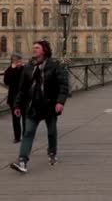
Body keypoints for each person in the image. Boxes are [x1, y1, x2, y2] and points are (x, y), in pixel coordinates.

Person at [10, 40, 69, 174]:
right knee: (28, 133)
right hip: (33, 105)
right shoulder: (29, 67)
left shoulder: (54, 66)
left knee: (51, 131)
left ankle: (52, 152)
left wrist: (60, 102)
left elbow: (63, 85)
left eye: (37, 47)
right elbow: (22, 89)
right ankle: (22, 161)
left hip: (49, 104)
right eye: (33, 47)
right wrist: (17, 105)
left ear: (44, 50)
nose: (34, 49)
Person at [4, 53, 25, 143]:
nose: (16, 62)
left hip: (24, 96)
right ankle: (17, 137)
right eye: (14, 61)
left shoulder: (24, 69)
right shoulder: (9, 70)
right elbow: (6, 81)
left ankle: (26, 135)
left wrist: (21, 68)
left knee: (25, 118)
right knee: (15, 119)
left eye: (17, 60)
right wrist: (12, 69)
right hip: (13, 97)